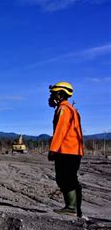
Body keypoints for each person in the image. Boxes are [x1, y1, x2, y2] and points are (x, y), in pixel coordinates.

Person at [47, 82, 84, 217]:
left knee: (65, 179)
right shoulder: (72, 109)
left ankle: (71, 208)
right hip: (74, 150)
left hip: (67, 150)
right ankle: (75, 208)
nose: (51, 96)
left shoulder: (63, 109)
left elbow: (60, 131)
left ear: (60, 94)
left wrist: (53, 149)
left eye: (54, 93)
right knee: (71, 179)